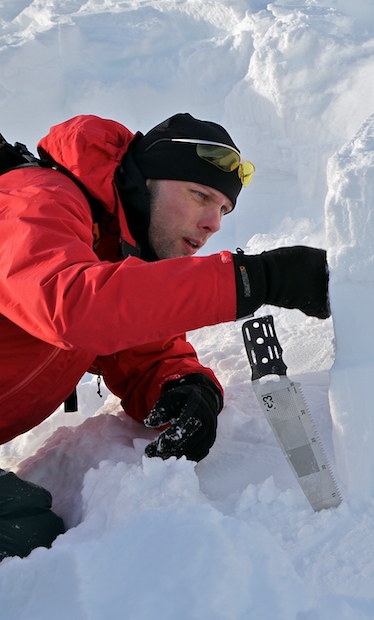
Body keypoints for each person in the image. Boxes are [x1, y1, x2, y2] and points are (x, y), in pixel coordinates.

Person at [0, 113, 330, 560]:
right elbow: (73, 305)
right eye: (200, 196)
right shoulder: (34, 199)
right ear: (146, 180)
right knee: (23, 533)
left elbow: (143, 350)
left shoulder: (112, 247)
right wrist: (256, 279)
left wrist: (185, 386)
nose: (213, 222)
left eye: (223, 210)